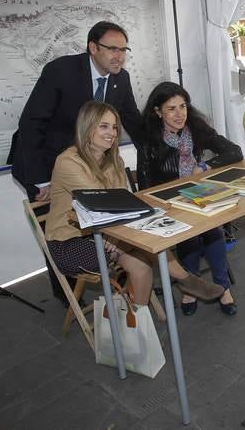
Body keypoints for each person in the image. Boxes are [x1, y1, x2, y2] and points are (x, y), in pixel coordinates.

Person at [11, 21, 143, 304]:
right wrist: (42, 179)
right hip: (44, 160)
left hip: (88, 162)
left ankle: (120, 282)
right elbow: (31, 124)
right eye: (112, 49)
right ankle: (68, 293)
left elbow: (132, 119)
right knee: (58, 224)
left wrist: (156, 147)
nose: (119, 56)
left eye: (123, 49)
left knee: (97, 215)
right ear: (93, 48)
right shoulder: (61, 71)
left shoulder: (121, 79)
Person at [44, 101, 224, 306]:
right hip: (70, 242)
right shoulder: (68, 161)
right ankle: (186, 280)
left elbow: (123, 200)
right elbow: (100, 201)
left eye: (114, 127)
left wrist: (118, 233)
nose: (111, 132)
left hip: (109, 234)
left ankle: (139, 322)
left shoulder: (113, 159)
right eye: (103, 126)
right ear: (87, 126)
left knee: (143, 264)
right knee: (149, 242)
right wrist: (117, 233)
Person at [137, 82, 243, 316]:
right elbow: (144, 187)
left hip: (198, 196)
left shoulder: (195, 127)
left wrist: (205, 165)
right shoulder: (148, 141)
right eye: (171, 108)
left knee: (211, 229)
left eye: (182, 106)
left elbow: (235, 152)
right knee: (191, 234)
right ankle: (191, 287)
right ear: (157, 112)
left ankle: (221, 287)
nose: (179, 114)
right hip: (168, 204)